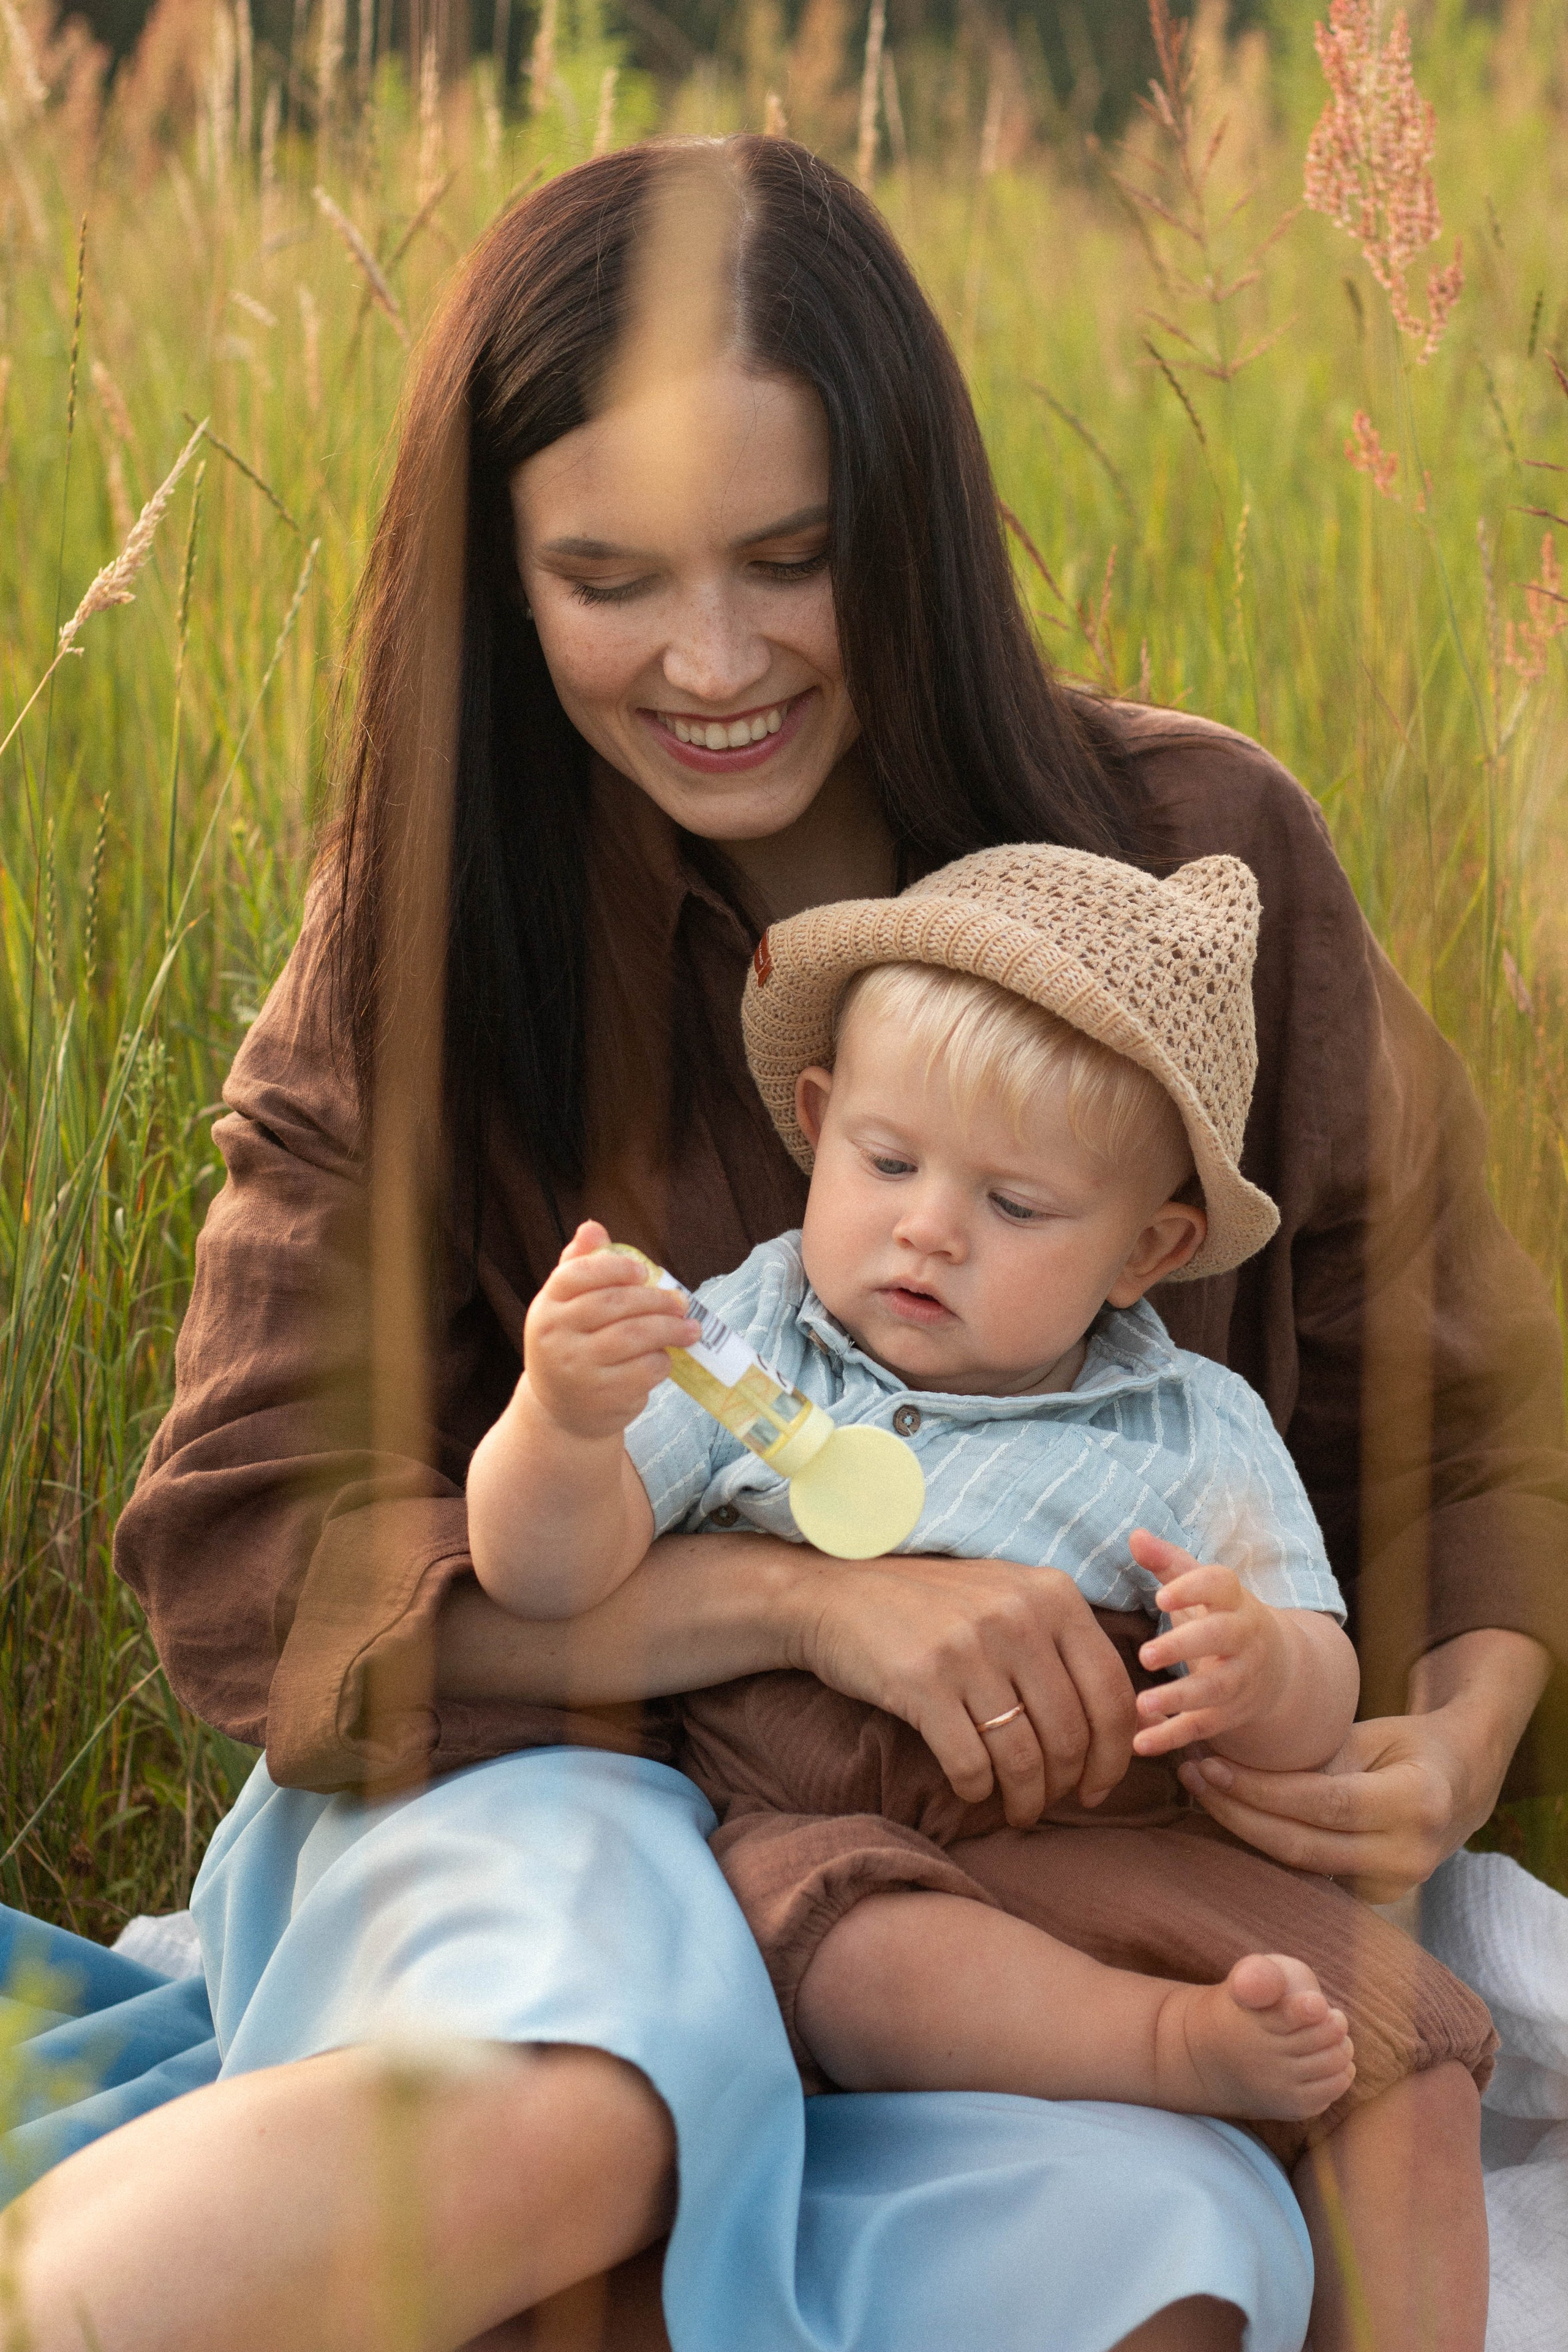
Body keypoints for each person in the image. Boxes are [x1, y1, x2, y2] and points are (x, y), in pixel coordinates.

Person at [6, 135, 1563, 2352]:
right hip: (557, 1789)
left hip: (1019, 1888)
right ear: (498, 579)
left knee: (1170, 2249)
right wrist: (805, 1613)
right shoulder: (427, 949)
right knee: (593, 2101)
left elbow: (1481, 1426)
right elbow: (250, 1555)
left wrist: (1459, 1725)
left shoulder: (1194, 867)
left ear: (909, 533)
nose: (711, 660)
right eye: (608, 576)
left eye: (793, 560)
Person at [467, 839, 1496, 2343]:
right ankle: (1158, 2049)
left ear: (1147, 1250)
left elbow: (1316, 1695)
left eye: (1014, 1207)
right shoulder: (748, 1344)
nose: (927, 1229)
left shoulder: (1187, 1425)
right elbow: (544, 1577)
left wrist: (1257, 1668)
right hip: (842, 1829)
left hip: (1117, 1838)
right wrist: (558, 1423)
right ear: (816, 1128)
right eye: (887, 1165)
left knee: (1400, 2055)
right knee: (856, 1952)